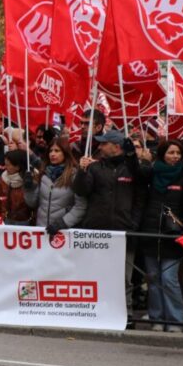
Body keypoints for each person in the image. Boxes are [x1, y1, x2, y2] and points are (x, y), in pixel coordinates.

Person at [74, 129, 143, 319]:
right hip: (97, 229)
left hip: (124, 231)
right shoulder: (95, 167)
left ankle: (125, 315)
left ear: (116, 146)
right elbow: (82, 190)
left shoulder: (131, 168)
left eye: (104, 143)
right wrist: (81, 171)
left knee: (124, 278)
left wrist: (133, 224)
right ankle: (97, 313)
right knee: (96, 275)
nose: (100, 146)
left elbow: (140, 194)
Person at [138, 140, 183, 332]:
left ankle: (174, 320)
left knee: (169, 278)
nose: (175, 156)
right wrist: (145, 163)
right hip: (151, 230)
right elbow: (139, 179)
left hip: (174, 234)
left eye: (178, 153)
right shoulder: (152, 172)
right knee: (153, 278)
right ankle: (157, 317)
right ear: (162, 154)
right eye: (171, 153)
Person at [23, 138, 86, 233]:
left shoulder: (74, 175)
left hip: (64, 232)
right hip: (42, 230)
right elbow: (32, 203)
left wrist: (63, 223)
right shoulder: (43, 174)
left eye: (57, 151)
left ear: (65, 153)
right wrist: (29, 188)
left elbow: (81, 206)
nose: (52, 154)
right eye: (50, 151)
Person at [0, 149, 33, 225]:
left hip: (25, 222)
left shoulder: (31, 180)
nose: (5, 167)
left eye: (8, 165)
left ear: (17, 167)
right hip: (5, 220)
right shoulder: (3, 178)